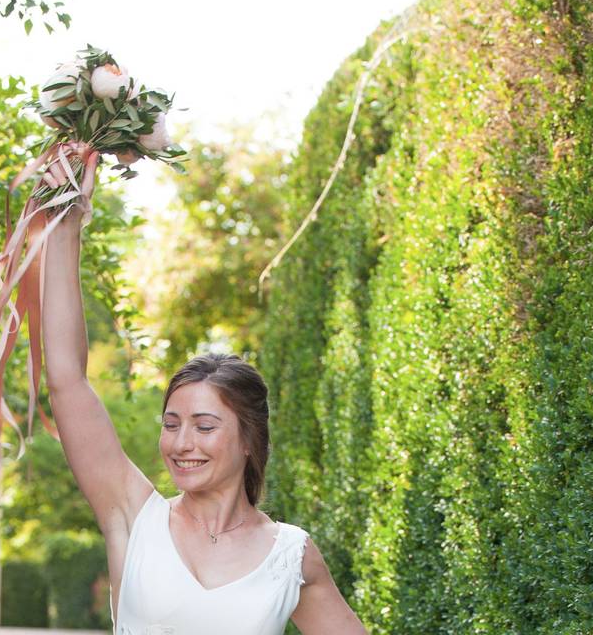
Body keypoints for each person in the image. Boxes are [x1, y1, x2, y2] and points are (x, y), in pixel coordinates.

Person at [40, 149, 367, 634]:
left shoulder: (291, 556)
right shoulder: (131, 514)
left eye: (204, 426)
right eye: (171, 425)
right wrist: (65, 228)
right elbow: (67, 379)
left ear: (248, 439)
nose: (180, 443)